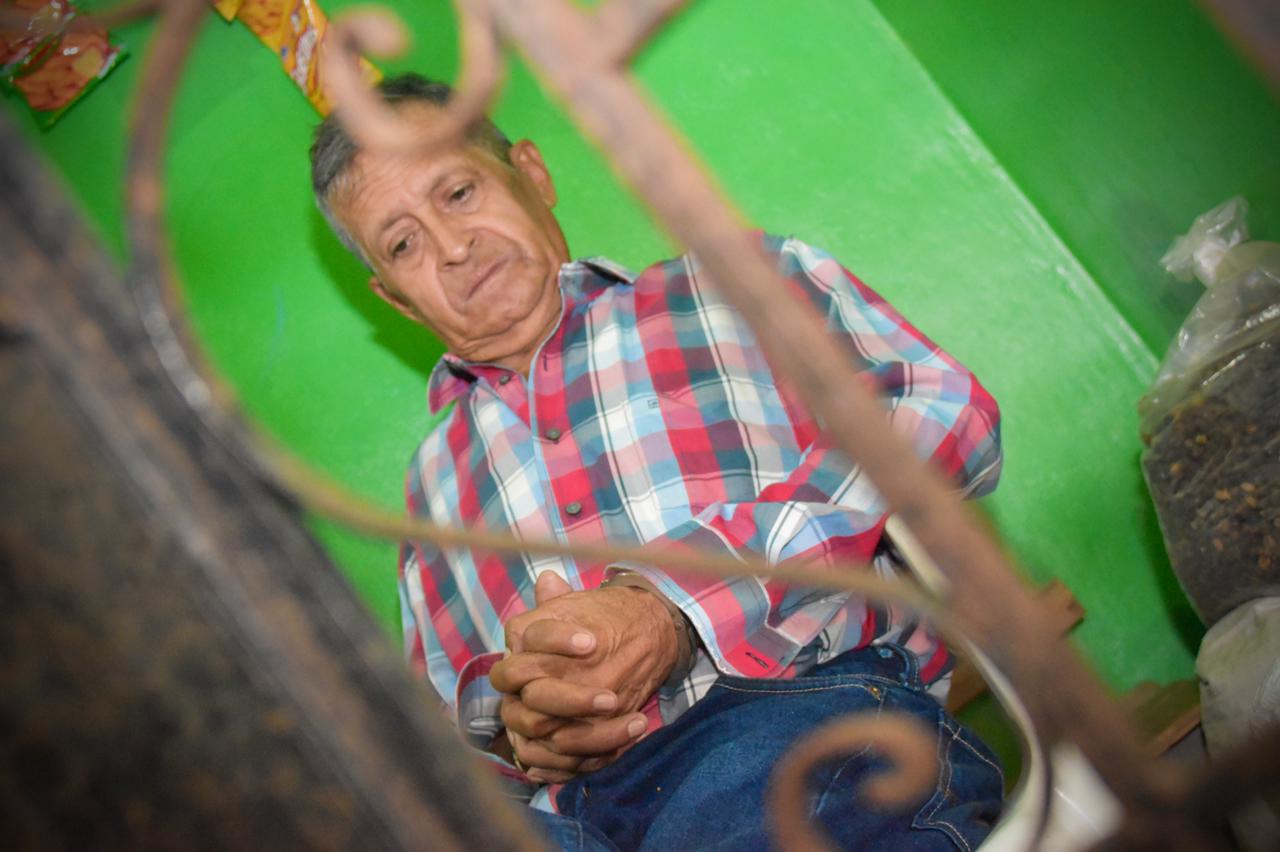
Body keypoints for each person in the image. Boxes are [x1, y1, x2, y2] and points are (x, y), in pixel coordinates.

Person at [311, 73, 1005, 850]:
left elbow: (943, 414)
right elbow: (448, 736)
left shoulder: (734, 285)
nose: (452, 247)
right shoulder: (426, 496)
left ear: (532, 174)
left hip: (799, 721)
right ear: (395, 298)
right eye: (403, 244)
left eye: (459, 192)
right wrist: (517, 721)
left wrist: (675, 602)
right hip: (569, 819)